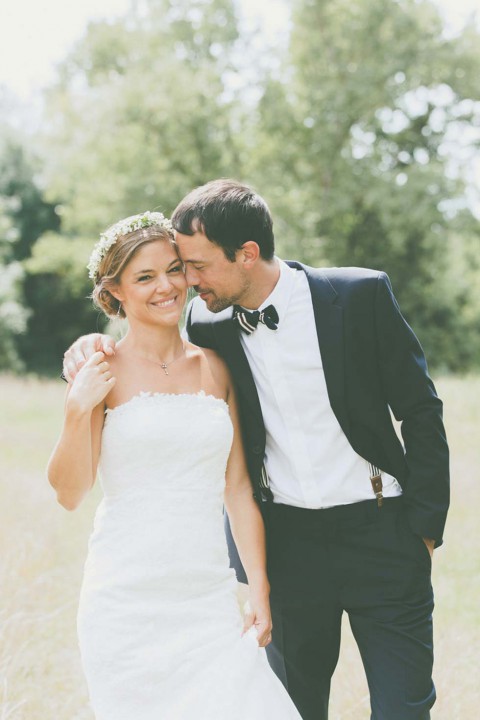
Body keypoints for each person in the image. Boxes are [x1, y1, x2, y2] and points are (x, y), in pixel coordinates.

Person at [63, 181, 450, 720]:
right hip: (287, 546)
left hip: (384, 535)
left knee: (405, 709)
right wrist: (87, 346)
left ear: (246, 255)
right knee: (291, 708)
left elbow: (420, 408)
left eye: (193, 265)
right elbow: (146, 345)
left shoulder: (360, 296)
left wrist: (425, 528)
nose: (186, 282)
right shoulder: (207, 321)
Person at [48, 211, 301, 720]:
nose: (166, 287)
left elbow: (237, 489)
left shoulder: (215, 366)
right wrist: (78, 410)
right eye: (144, 277)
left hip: (205, 599)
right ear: (115, 291)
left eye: (174, 269)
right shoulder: (100, 371)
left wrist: (258, 585)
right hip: (124, 600)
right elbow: (70, 492)